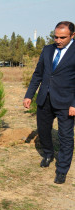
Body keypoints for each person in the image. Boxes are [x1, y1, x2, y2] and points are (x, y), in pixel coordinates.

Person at [23, 21, 75, 184]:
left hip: (66, 103)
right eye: (55, 37)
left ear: (72, 35)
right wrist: (29, 95)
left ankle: (62, 170)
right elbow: (38, 74)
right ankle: (47, 154)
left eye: (62, 37)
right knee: (43, 130)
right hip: (44, 99)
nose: (58, 40)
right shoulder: (47, 50)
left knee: (65, 137)